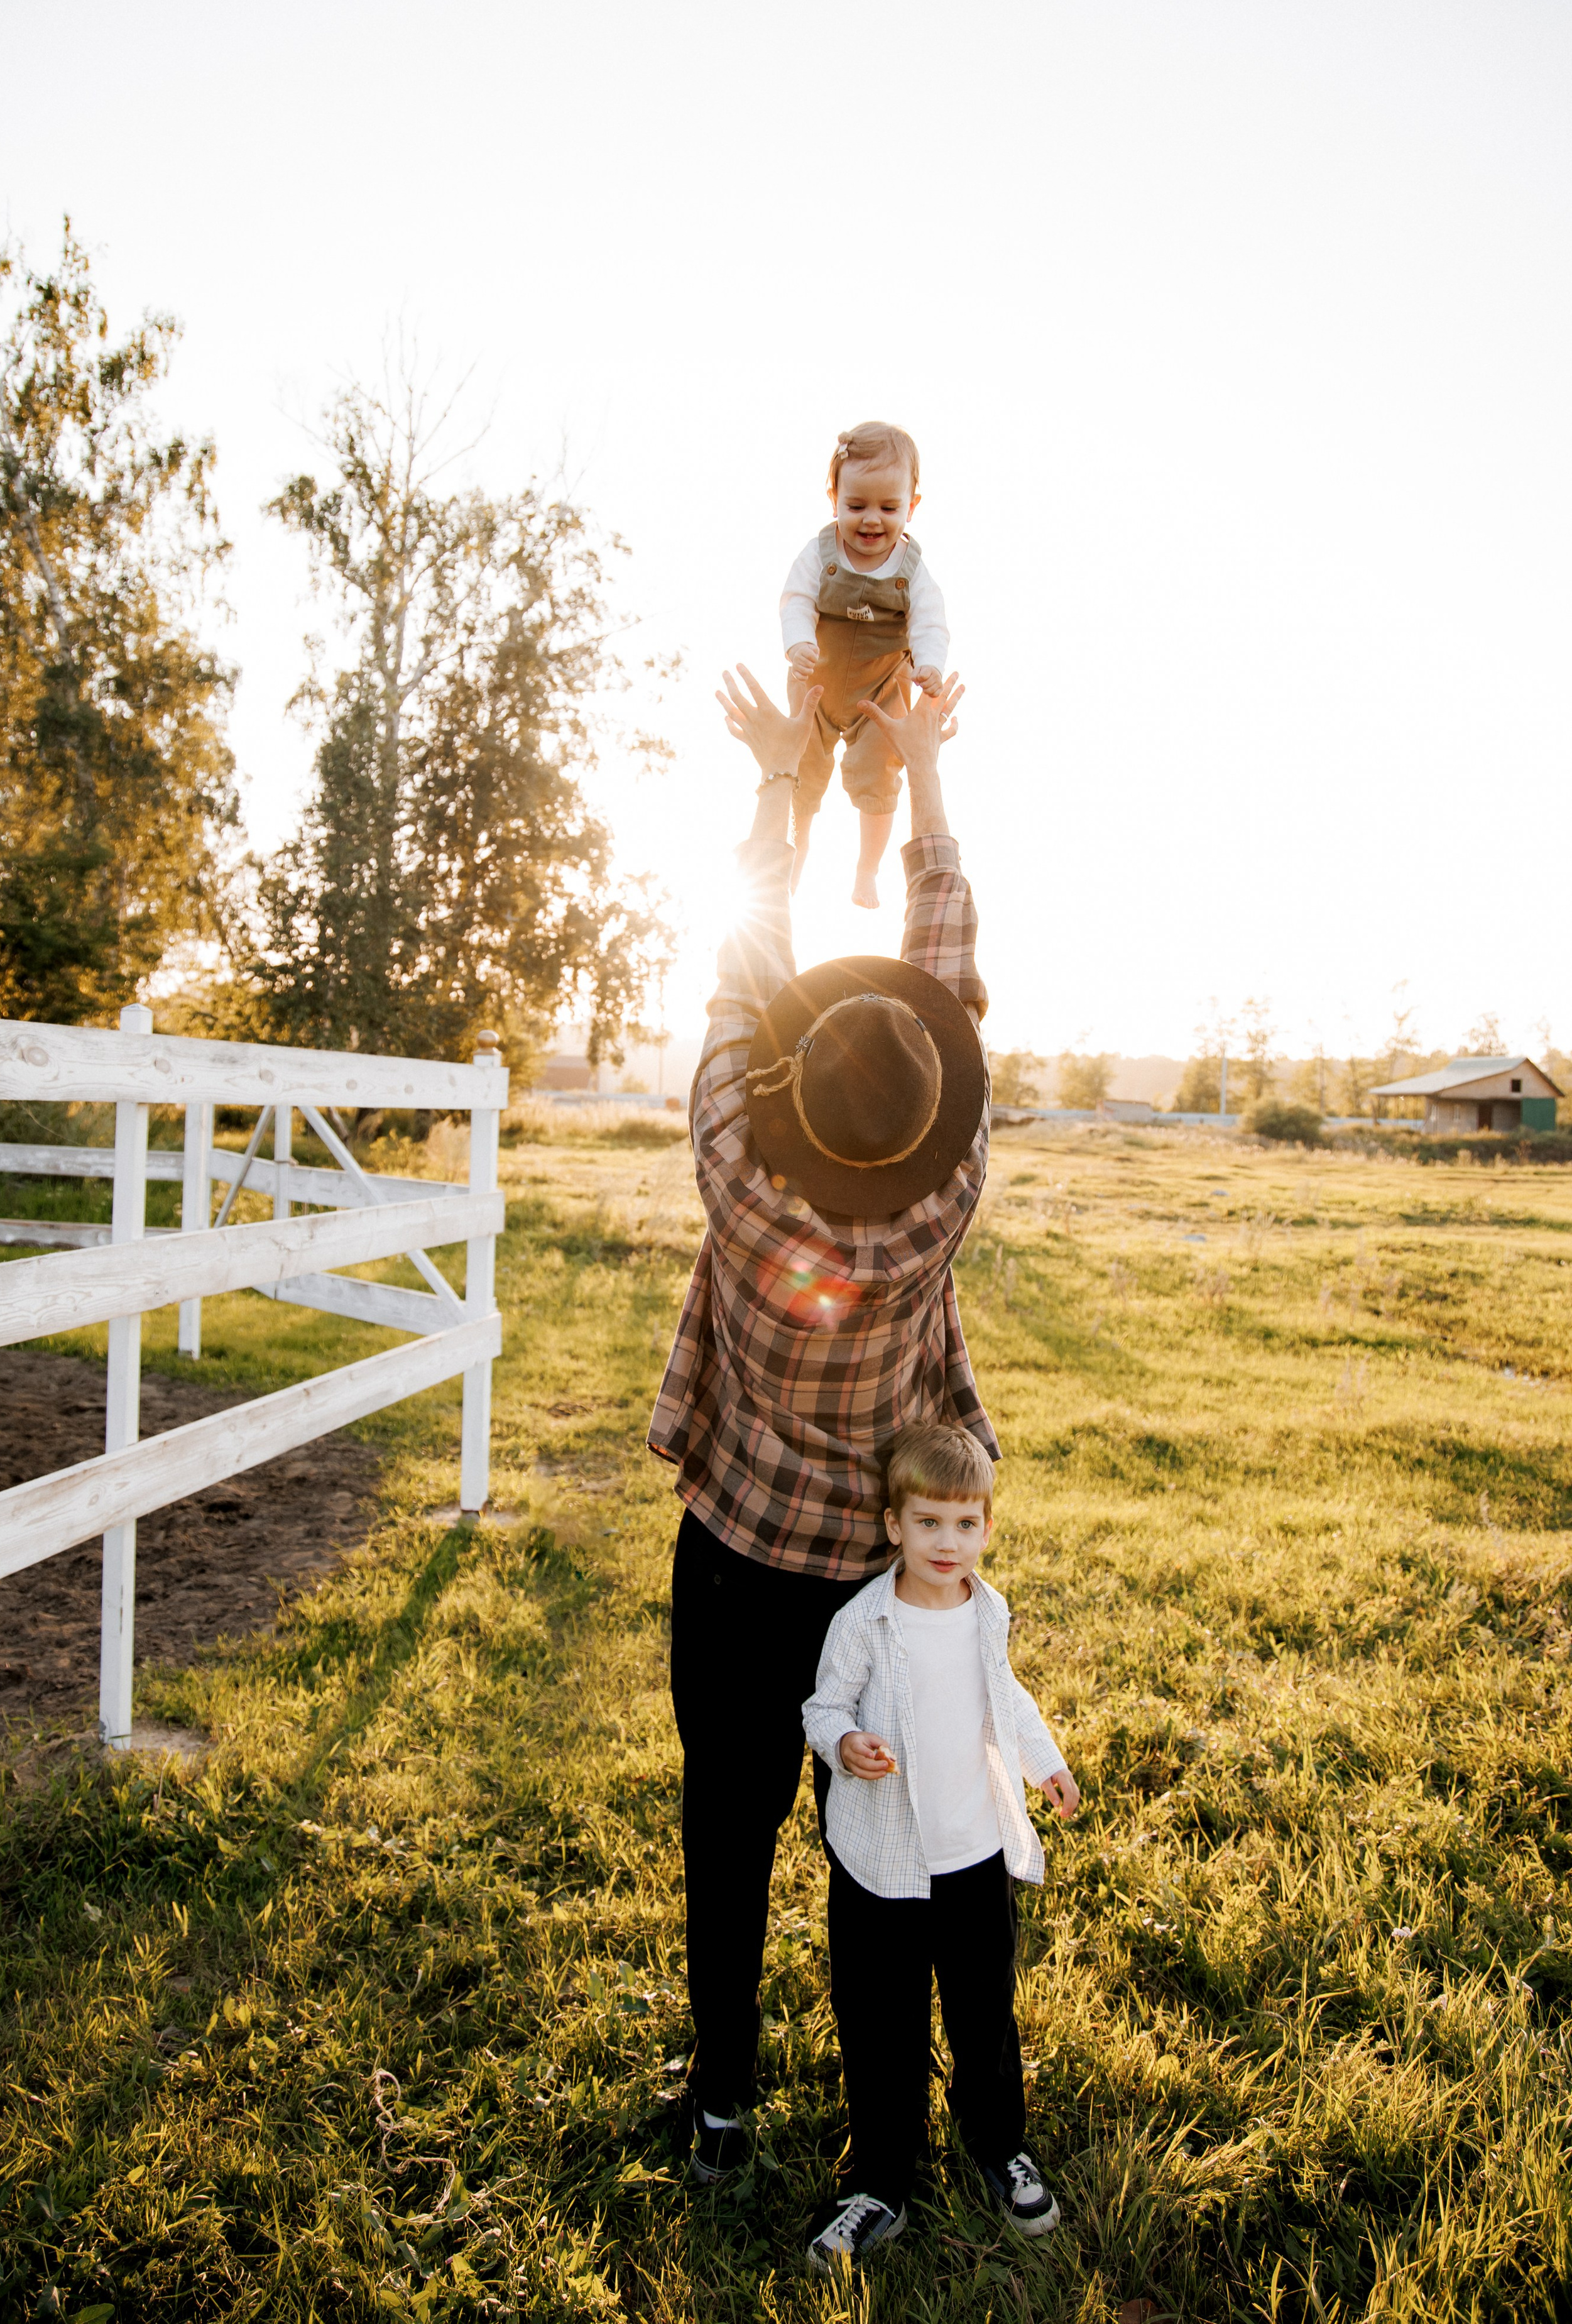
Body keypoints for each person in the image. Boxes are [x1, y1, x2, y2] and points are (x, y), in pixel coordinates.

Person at [648, 658, 993, 2192]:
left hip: (732, 1561)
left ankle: (720, 2102)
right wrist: (916, 770)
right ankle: (885, 2117)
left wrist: (785, 779)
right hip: (870, 1586)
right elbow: (948, 972)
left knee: (724, 1832)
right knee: (876, 1847)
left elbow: (739, 964)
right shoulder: (939, 1196)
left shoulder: (738, 1171)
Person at [799, 1420, 1081, 2274]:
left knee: (984, 2009)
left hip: (971, 1856)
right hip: (882, 1865)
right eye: (928, 1523)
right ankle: (881, 2178)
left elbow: (1008, 1699)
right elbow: (821, 1707)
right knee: (882, 2020)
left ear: (987, 1528)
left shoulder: (985, 1611)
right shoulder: (865, 1623)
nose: (947, 1542)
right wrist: (845, 1744)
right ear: (895, 1527)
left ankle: (998, 2144)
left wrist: (1046, 1766)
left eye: (966, 1524)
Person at [778, 422, 950, 908]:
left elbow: (931, 624)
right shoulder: (820, 553)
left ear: (912, 505)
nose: (872, 520)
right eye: (857, 506)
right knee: (802, 772)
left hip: (880, 692)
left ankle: (867, 868)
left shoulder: (911, 570)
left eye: (889, 507)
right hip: (816, 684)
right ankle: (800, 843)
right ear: (834, 497)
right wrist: (797, 644)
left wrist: (930, 664)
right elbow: (795, 601)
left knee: (879, 779)